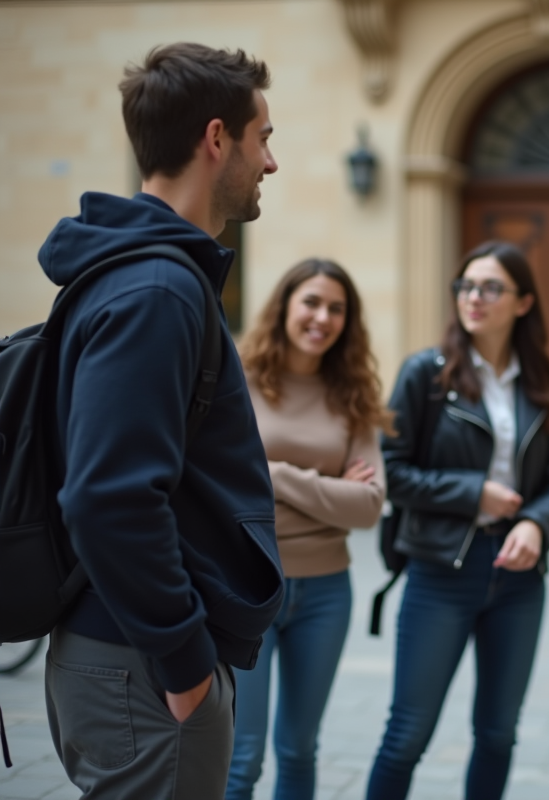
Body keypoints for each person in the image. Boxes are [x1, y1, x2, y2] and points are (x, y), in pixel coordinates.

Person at [39, 43, 283, 799]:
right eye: (263, 138)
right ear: (217, 140)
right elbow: (108, 496)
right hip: (143, 667)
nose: (271, 163)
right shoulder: (157, 289)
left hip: (127, 658)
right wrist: (185, 670)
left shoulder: (139, 272)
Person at [366, 241, 549, 800]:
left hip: (518, 578)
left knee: (497, 735)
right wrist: (472, 493)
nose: (473, 298)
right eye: (465, 286)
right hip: (440, 572)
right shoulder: (425, 374)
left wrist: (535, 523)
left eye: (490, 288)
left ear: (523, 302)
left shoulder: (537, 381)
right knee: (407, 734)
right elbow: (395, 472)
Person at [225, 259, 389, 800]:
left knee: (298, 749)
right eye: (311, 303)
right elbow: (221, 482)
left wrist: (271, 473)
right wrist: (326, 487)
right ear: (285, 307)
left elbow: (367, 507)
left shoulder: (354, 395)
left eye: (336, 308)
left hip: (325, 594)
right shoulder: (238, 379)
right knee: (239, 756)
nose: (322, 317)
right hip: (247, 584)